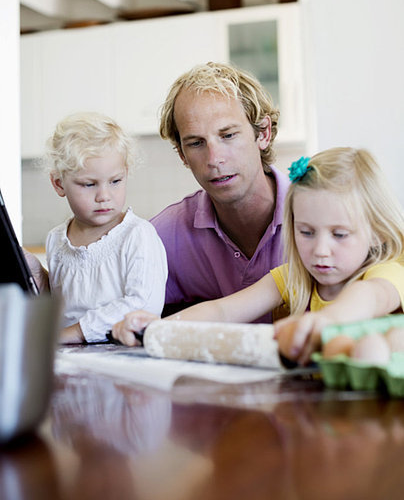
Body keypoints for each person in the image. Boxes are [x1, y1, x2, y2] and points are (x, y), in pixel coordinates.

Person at [112, 147, 404, 364]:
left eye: (339, 234)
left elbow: (370, 297)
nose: (320, 250)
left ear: (377, 232)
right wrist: (158, 329)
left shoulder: (385, 274)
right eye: (306, 232)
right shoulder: (293, 278)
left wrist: (327, 321)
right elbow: (223, 311)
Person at [150, 61, 289, 319]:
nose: (214, 158)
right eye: (196, 143)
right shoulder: (160, 238)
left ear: (263, 134)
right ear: (181, 153)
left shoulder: (318, 215)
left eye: (228, 135)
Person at [45, 112, 167, 344]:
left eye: (115, 181)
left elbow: (143, 304)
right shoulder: (56, 240)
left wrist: (75, 333)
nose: (104, 196)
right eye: (89, 184)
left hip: (124, 357)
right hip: (69, 356)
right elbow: (62, 308)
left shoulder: (138, 235)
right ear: (59, 184)